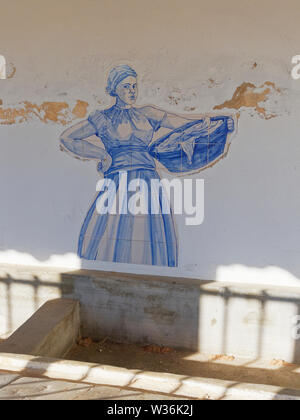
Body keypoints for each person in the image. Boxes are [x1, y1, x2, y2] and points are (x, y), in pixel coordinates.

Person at [60, 65, 234, 266]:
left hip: (148, 179)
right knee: (114, 231)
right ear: (114, 89)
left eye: (135, 86)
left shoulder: (148, 113)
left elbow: (185, 124)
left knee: (148, 234)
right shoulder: (103, 119)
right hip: (118, 180)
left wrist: (217, 124)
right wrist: (101, 154)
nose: (132, 91)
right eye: (126, 86)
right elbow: (68, 137)